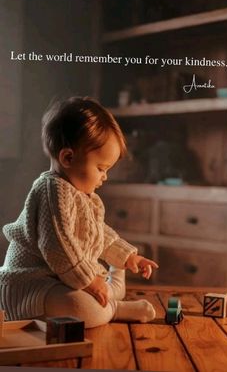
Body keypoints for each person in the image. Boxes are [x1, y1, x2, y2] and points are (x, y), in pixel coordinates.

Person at [0, 96, 158, 328]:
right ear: (68, 157)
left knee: (89, 295)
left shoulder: (85, 197)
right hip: (31, 285)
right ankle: (114, 306)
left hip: (61, 280)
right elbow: (58, 246)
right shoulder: (52, 190)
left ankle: (113, 284)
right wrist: (89, 282)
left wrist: (127, 256)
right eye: (101, 168)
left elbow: (99, 234)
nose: (105, 176)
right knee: (81, 308)